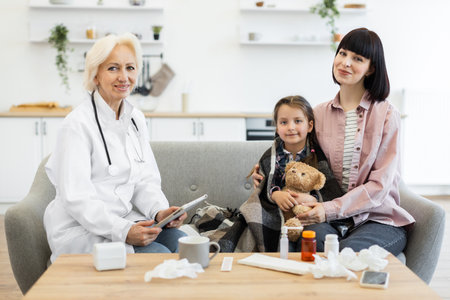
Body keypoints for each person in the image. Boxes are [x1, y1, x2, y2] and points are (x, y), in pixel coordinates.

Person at [253, 28, 415, 255]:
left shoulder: (387, 115)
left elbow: (380, 186)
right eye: (342, 53)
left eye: (357, 58)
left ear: (371, 69)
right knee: (311, 242)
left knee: (345, 254)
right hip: (326, 217)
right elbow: (293, 152)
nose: (345, 63)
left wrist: (328, 210)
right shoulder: (318, 114)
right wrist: (266, 172)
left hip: (376, 219)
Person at [44, 33, 186, 262]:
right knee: (158, 256)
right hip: (81, 231)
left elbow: (144, 180)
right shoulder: (76, 125)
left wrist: (160, 212)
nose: (124, 77)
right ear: (95, 75)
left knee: (183, 244)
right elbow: (77, 198)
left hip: (125, 222)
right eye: (113, 68)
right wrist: (123, 231)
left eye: (130, 68)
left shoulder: (135, 119)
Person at [248, 95, 342, 252]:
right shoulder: (270, 156)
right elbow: (264, 187)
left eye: (298, 121)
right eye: (284, 122)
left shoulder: (318, 155)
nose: (291, 127)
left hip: (309, 213)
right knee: (261, 231)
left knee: (312, 237)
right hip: (278, 213)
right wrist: (276, 195)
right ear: (277, 128)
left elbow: (329, 190)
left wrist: (312, 198)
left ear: (310, 125)